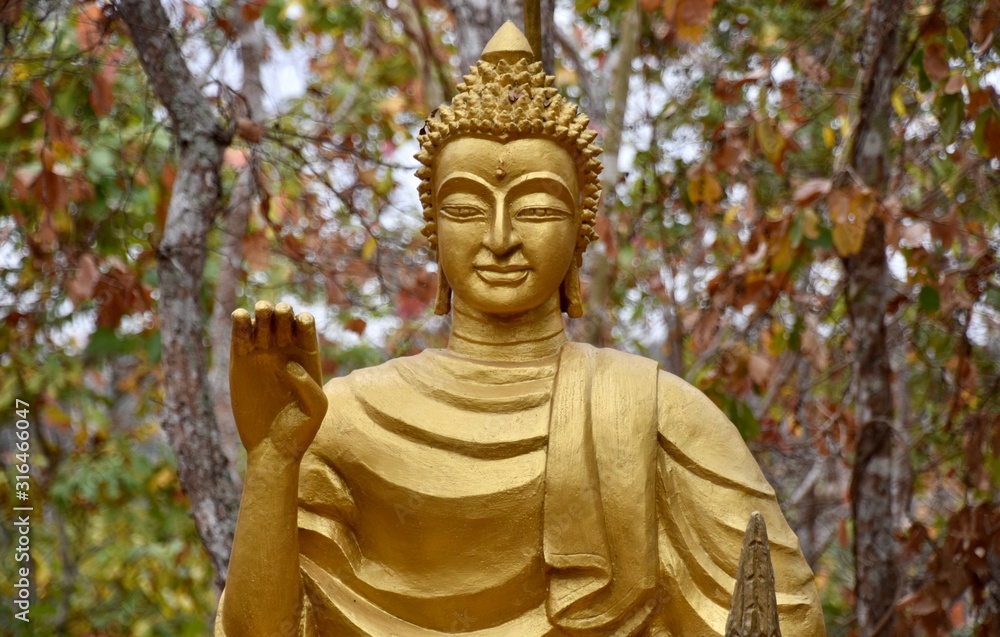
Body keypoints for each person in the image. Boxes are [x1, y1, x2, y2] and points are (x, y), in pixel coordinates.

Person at [216, 22, 826, 637]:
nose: (501, 239)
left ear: (579, 233)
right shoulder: (341, 418)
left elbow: (791, 619)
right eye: (465, 207)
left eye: (536, 208)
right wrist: (272, 460)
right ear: (433, 231)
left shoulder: (652, 412)